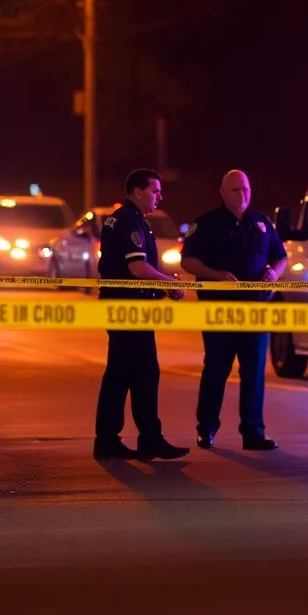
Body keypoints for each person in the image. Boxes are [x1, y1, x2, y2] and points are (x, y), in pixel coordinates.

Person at [180, 170, 287, 451]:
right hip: (220, 310)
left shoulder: (261, 223)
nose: (243, 195)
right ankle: (206, 429)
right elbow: (187, 261)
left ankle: (253, 432)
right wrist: (214, 274)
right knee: (216, 370)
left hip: (255, 310)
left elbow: (280, 257)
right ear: (223, 192)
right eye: (237, 190)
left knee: (253, 373)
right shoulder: (206, 224)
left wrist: (274, 274)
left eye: (247, 189)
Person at [93, 168, 191, 461]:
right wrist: (168, 282)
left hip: (130, 305)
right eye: (154, 190)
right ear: (138, 191)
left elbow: (133, 272)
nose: (159, 196)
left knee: (126, 374)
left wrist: (161, 287)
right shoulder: (130, 221)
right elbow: (136, 269)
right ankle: (142, 440)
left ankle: (121, 439)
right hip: (128, 309)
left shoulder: (126, 220)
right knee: (140, 373)